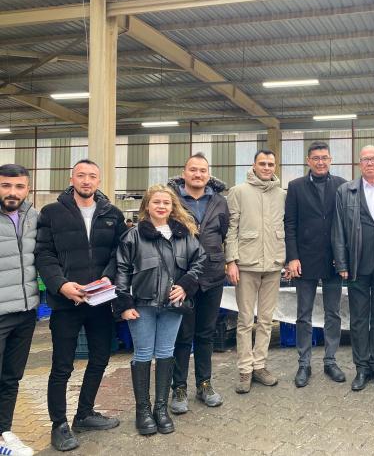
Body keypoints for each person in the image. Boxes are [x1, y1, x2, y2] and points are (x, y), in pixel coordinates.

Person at [35, 159, 126, 451]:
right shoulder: (51, 213)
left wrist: (108, 277)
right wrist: (61, 285)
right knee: (62, 365)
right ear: (71, 178)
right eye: (81, 175)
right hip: (66, 303)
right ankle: (59, 424)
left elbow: (120, 253)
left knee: (100, 358)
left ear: (99, 180)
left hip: (100, 301)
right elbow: (44, 254)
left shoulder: (112, 214)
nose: (87, 181)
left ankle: (84, 414)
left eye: (92, 176)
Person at [114, 185, 205, 436]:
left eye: (166, 202)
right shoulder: (133, 236)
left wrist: (186, 284)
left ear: (173, 206)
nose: (161, 206)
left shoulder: (184, 234)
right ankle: (143, 411)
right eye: (156, 202)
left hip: (172, 306)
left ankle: (161, 409)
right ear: (147, 206)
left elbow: (200, 260)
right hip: (141, 305)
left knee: (165, 352)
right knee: (143, 353)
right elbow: (121, 270)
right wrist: (124, 305)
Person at [332, 145, 374, 391]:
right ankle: (361, 367)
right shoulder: (345, 191)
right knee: (359, 318)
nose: (370, 163)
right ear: (359, 164)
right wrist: (342, 263)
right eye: (365, 159)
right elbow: (338, 229)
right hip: (356, 266)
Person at [167, 153, 229, 413]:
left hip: (212, 276)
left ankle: (204, 384)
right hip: (182, 277)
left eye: (203, 170)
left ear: (208, 174)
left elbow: (224, 233)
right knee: (183, 335)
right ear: (184, 173)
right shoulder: (171, 199)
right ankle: (179, 388)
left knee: (206, 333)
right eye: (193, 170)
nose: (198, 174)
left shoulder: (220, 201)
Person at [285, 141, 347, 387]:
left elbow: (346, 224)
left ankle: (330, 361)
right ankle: (304, 363)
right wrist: (292, 257)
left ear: (330, 160)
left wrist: (342, 256)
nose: (320, 162)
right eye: (316, 158)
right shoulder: (295, 187)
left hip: (333, 260)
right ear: (308, 161)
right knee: (304, 314)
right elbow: (290, 224)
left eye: (324, 158)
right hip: (305, 260)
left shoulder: (342, 185)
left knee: (333, 313)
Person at [225, 149, 286, 394]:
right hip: (247, 264)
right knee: (245, 320)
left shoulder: (282, 195)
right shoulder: (238, 192)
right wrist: (231, 260)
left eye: (271, 164)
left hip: (273, 264)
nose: (267, 167)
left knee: (267, 320)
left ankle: (259, 366)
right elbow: (231, 228)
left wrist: (285, 258)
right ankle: (245, 369)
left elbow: (286, 226)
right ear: (254, 165)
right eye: (262, 163)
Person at [0, 164, 39, 456]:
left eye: (19, 186)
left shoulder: (33, 217)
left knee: (11, 378)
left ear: (27, 189)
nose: (12, 192)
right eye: (5, 185)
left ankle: (4, 432)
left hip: (26, 312)